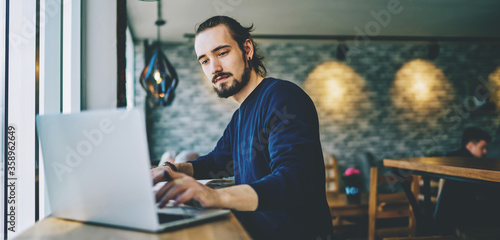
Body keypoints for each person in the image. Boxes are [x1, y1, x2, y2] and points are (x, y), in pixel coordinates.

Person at [150, 16, 333, 239]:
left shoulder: (283, 97)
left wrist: (216, 196)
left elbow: (294, 179)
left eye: (222, 53)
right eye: (205, 60)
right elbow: (218, 161)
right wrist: (172, 170)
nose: (214, 68)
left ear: (247, 49)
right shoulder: (240, 117)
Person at [435, 127, 498, 233]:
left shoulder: (451, 158)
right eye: (482, 148)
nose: (485, 152)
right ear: (469, 146)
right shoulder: (472, 164)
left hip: (444, 220)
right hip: (461, 219)